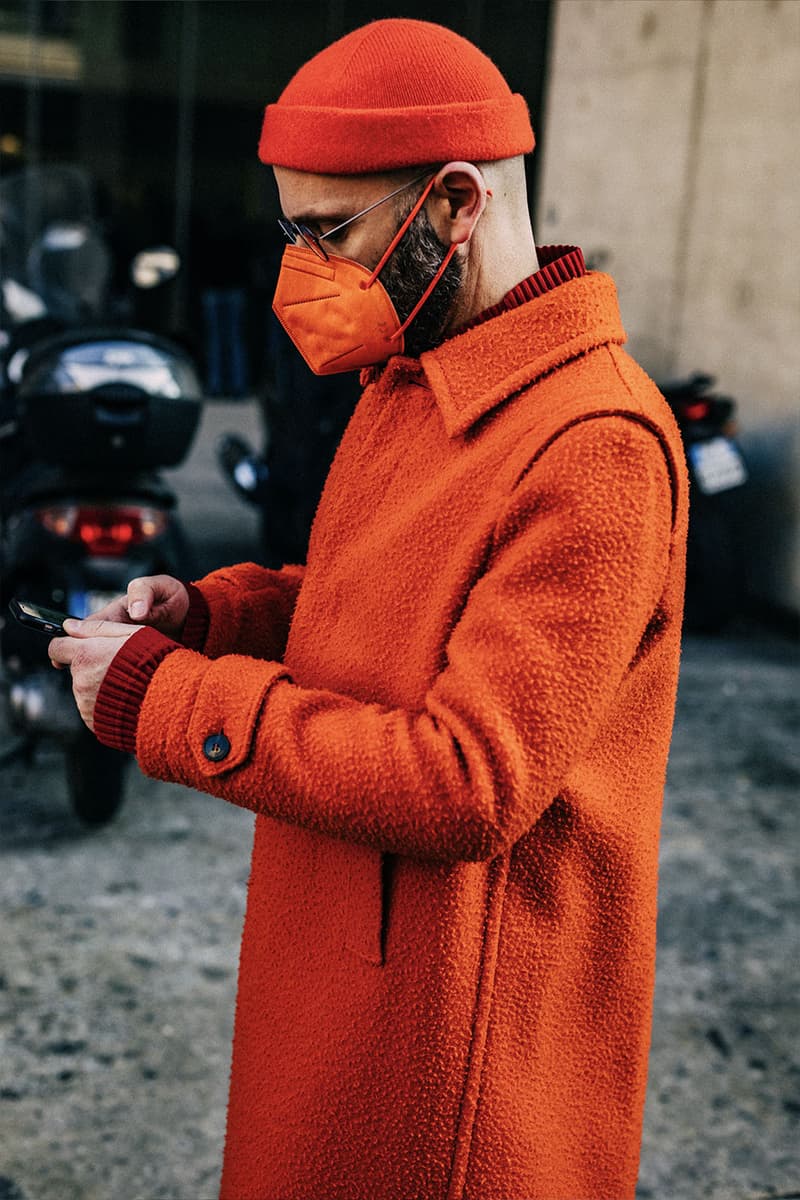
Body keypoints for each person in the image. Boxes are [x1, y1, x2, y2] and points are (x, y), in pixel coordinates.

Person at [49, 18, 688, 1200]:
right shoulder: (415, 371)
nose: (304, 268)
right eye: (291, 229)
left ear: (454, 201)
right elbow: (372, 598)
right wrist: (212, 615)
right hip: (353, 966)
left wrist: (167, 696)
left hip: (447, 1053)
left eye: (329, 231)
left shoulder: (592, 442)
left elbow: (469, 779)